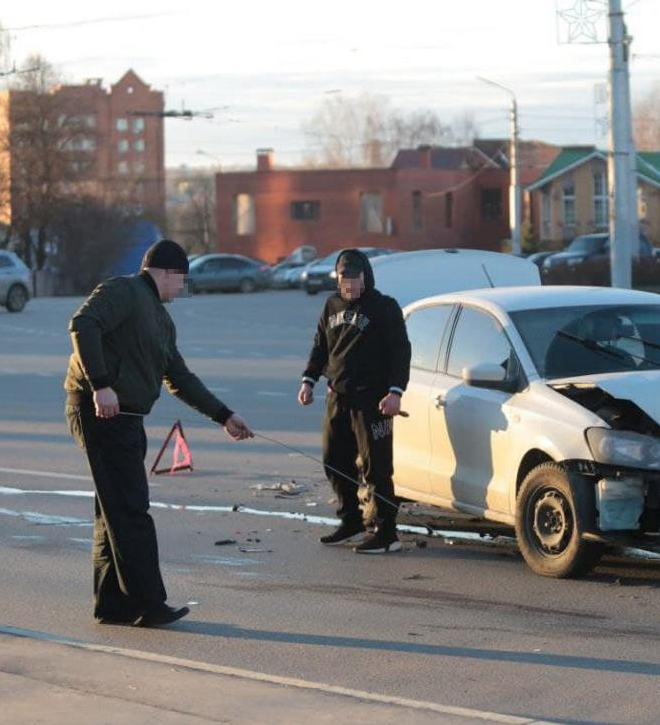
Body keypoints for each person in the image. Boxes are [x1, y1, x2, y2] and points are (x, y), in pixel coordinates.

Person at [64, 239, 253, 627]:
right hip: (100, 411)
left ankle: (113, 605)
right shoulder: (124, 291)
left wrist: (223, 414)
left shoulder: (162, 320)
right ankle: (149, 604)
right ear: (165, 272)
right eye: (181, 280)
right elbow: (83, 324)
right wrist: (100, 384)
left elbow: (179, 377)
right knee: (131, 511)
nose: (181, 289)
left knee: (114, 511)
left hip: (127, 417)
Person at [298, 249, 411, 554]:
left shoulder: (384, 307)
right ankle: (351, 521)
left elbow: (401, 352)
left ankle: (387, 533)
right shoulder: (331, 305)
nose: (348, 285)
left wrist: (395, 392)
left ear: (365, 277)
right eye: (342, 279)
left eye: (353, 279)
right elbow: (321, 346)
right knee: (334, 461)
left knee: (377, 468)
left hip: (372, 400)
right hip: (338, 397)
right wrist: (309, 380)